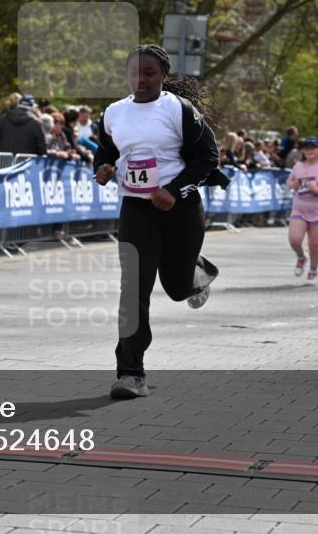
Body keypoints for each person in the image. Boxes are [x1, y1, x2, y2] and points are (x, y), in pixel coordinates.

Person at [94, 45, 227, 399]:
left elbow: (208, 157)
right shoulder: (113, 113)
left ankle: (195, 272)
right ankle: (131, 373)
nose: (141, 80)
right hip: (136, 208)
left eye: (149, 73)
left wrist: (173, 189)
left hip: (180, 208)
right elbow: (106, 150)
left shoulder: (178, 110)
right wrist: (103, 168)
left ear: (163, 76)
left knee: (176, 288)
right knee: (133, 289)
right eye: (134, 73)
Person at [287, 137, 318, 284]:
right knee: (294, 240)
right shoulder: (299, 166)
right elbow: (290, 180)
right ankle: (301, 257)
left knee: (314, 245)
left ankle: (313, 270)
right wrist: (294, 184)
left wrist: (316, 189)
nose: (308, 150)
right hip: (299, 208)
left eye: (312, 148)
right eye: (306, 148)